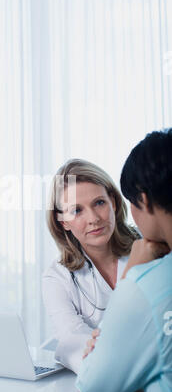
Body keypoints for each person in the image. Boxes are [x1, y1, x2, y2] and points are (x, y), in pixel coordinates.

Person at [75, 129, 172, 392]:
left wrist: (131, 277)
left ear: (141, 199)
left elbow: (95, 387)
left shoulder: (146, 286)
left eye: (100, 203)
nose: (92, 217)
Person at [42, 159, 140, 374]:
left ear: (113, 202)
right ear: (63, 222)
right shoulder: (57, 277)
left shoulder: (149, 247)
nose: (94, 219)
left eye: (99, 203)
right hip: (104, 375)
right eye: (77, 210)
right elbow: (72, 338)